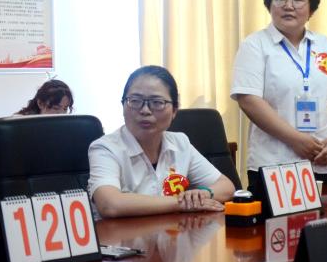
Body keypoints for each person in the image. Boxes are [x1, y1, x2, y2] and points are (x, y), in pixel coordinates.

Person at [231, 0, 327, 189]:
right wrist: (296, 140)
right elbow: (249, 100)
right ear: (269, 5)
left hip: (320, 163)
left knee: (325, 212)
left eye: (297, 0)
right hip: (273, 164)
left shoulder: (324, 46)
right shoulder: (255, 45)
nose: (288, 6)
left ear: (311, 10)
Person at [88, 66, 236, 217]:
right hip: (121, 232)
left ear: (174, 110)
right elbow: (109, 205)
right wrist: (182, 203)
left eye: (157, 102)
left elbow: (226, 187)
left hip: (174, 230)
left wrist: (203, 194)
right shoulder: (105, 148)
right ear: (123, 105)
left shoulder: (180, 143)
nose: (145, 110)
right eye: (135, 101)